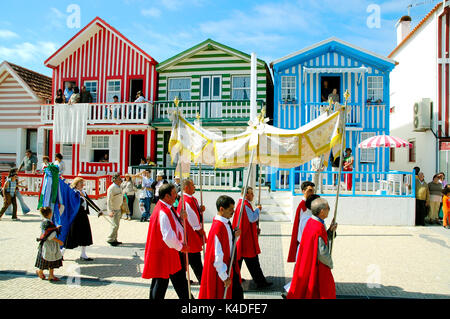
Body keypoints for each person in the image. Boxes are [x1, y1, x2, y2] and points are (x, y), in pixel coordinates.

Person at [142, 183, 190, 299]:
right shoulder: (163, 211)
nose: (176, 196)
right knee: (162, 283)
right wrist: (181, 247)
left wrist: (179, 217)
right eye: (174, 194)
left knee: (164, 283)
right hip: (167, 253)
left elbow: (171, 224)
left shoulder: (165, 207)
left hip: (168, 252)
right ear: (167, 196)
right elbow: (168, 236)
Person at [287, 198, 337, 299]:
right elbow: (322, 252)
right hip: (316, 266)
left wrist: (330, 232)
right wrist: (330, 263)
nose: (329, 210)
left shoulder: (311, 222)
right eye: (328, 208)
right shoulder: (317, 227)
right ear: (322, 211)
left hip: (307, 263)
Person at [199, 195, 243, 299]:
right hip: (223, 271)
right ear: (222, 209)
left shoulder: (225, 222)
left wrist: (234, 234)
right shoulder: (217, 227)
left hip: (231, 266)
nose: (233, 212)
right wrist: (224, 276)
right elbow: (217, 255)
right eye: (231, 209)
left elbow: (227, 240)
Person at [232, 186, 272, 289]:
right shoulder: (244, 205)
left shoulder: (242, 204)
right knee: (252, 262)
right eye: (251, 193)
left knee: (242, 261)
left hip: (244, 237)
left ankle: (237, 279)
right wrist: (258, 210)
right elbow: (252, 218)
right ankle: (259, 282)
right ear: (246, 194)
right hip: (246, 239)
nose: (253, 195)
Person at [283, 194, 321, 295]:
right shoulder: (308, 218)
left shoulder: (309, 216)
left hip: (305, 249)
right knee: (302, 275)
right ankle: (291, 292)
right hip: (306, 250)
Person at [177, 179, 207, 285]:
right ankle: (203, 281)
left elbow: (196, 214)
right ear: (186, 188)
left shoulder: (192, 199)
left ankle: (186, 280)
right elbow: (194, 222)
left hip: (190, 235)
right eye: (193, 185)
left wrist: (200, 210)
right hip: (190, 236)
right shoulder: (186, 202)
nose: (194, 187)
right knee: (195, 261)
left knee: (189, 261)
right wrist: (201, 232)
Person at [63, 177, 94, 261]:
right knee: (71, 235)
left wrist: (99, 211)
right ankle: (61, 253)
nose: (82, 185)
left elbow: (90, 202)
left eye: (82, 183)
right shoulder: (73, 193)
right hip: (75, 216)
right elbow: (74, 204)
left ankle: (83, 254)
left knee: (85, 235)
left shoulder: (83, 192)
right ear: (76, 184)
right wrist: (79, 196)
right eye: (80, 183)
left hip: (83, 216)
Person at [288, 181, 315, 263]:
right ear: (303, 191)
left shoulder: (310, 203)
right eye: (310, 191)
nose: (312, 193)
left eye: (313, 191)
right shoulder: (303, 206)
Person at [35, 206, 64, 281]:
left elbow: (47, 232)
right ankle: (47, 274)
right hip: (50, 244)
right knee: (50, 260)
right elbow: (51, 236)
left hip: (43, 243)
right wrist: (59, 241)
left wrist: (56, 228)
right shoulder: (49, 223)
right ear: (50, 213)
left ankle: (45, 273)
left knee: (45, 260)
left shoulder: (44, 222)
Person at [106, 173, 123, 246]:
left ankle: (114, 238)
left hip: (118, 208)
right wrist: (110, 211)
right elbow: (109, 200)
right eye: (119, 178)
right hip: (114, 209)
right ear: (115, 180)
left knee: (117, 225)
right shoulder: (112, 188)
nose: (121, 179)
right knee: (114, 225)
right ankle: (110, 239)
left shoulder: (119, 186)